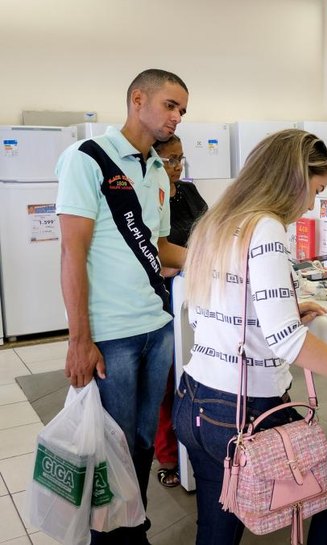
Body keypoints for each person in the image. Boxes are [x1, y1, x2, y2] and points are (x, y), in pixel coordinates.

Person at [174, 128, 327, 545]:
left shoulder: (216, 222)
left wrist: (280, 314)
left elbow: (217, 308)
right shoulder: (267, 228)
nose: (311, 205)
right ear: (292, 179)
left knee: (217, 523)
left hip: (195, 400)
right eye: (314, 191)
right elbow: (288, 344)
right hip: (243, 409)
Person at [56, 68, 189, 544]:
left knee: (138, 445)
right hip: (111, 334)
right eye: (170, 105)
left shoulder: (158, 170)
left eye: (182, 111)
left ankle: (133, 529)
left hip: (158, 325)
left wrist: (215, 257)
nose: (177, 117)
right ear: (138, 100)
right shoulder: (87, 158)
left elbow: (160, 247)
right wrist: (79, 340)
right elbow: (72, 253)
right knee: (108, 448)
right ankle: (107, 537)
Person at [154, 134, 208, 488]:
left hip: (197, 292)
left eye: (180, 159)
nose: (176, 167)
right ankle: (169, 455)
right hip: (162, 298)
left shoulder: (187, 192)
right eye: (169, 160)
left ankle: (197, 447)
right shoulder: (147, 196)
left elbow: (210, 229)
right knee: (169, 378)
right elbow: (150, 252)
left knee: (195, 372)